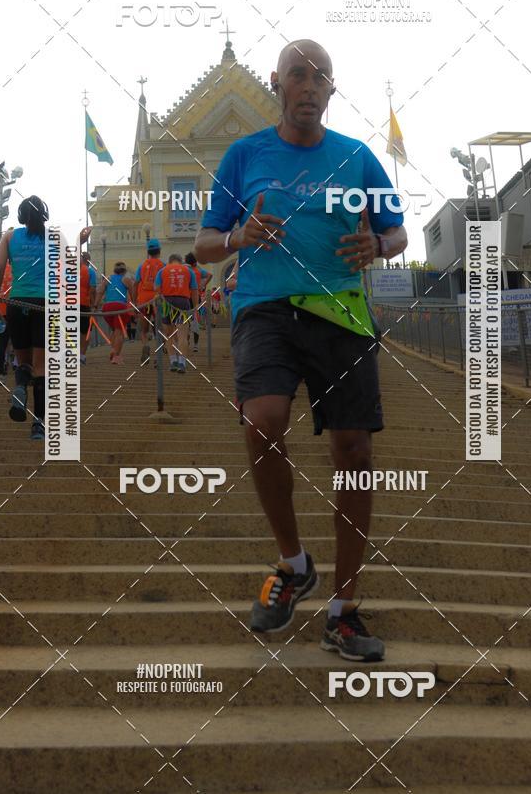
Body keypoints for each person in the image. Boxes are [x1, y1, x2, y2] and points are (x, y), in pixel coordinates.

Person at [195, 39, 408, 661]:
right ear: (278, 85)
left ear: (331, 90)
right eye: (298, 75)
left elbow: (395, 227)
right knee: (261, 421)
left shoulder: (358, 157)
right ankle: (294, 565)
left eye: (320, 77)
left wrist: (381, 246)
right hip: (264, 307)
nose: (309, 85)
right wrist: (239, 234)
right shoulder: (244, 156)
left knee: (354, 448)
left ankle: (343, 608)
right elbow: (206, 244)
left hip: (340, 310)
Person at [0, 196, 49, 440]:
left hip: (16, 303)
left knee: (22, 359)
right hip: (45, 305)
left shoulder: (10, 237)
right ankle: (39, 425)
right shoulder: (53, 238)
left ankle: (22, 386)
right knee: (42, 366)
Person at [155, 253, 198, 373]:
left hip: (166, 303)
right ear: (180, 261)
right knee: (182, 335)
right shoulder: (188, 271)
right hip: (183, 302)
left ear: (170, 261)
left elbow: (156, 289)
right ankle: (182, 363)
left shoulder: (162, 271)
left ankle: (173, 361)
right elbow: (194, 290)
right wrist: (195, 306)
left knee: (168, 334)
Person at [134, 239, 164, 364]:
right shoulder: (163, 265)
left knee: (143, 328)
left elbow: (136, 283)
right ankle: (158, 357)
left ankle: (145, 345)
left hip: (143, 299)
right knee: (159, 328)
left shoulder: (142, 266)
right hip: (157, 298)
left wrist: (135, 299)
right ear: (159, 251)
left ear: (148, 252)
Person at [97, 261, 134, 365]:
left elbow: (100, 291)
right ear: (124, 271)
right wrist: (135, 305)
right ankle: (116, 355)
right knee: (119, 332)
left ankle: (114, 349)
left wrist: (95, 305)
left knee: (114, 330)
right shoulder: (126, 279)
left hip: (107, 307)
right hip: (120, 307)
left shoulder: (108, 278)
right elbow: (133, 293)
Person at [184, 252, 212, 352]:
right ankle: (196, 345)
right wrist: (203, 285)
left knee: (184, 320)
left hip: (185, 297)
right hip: (196, 297)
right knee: (195, 320)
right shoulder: (198, 271)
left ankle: (185, 340)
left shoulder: (184, 270)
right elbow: (210, 275)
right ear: (195, 262)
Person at [79, 251, 97, 365]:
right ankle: (81, 356)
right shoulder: (90, 271)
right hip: (84, 304)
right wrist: (93, 304)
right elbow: (92, 290)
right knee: (85, 331)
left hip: (68, 304)